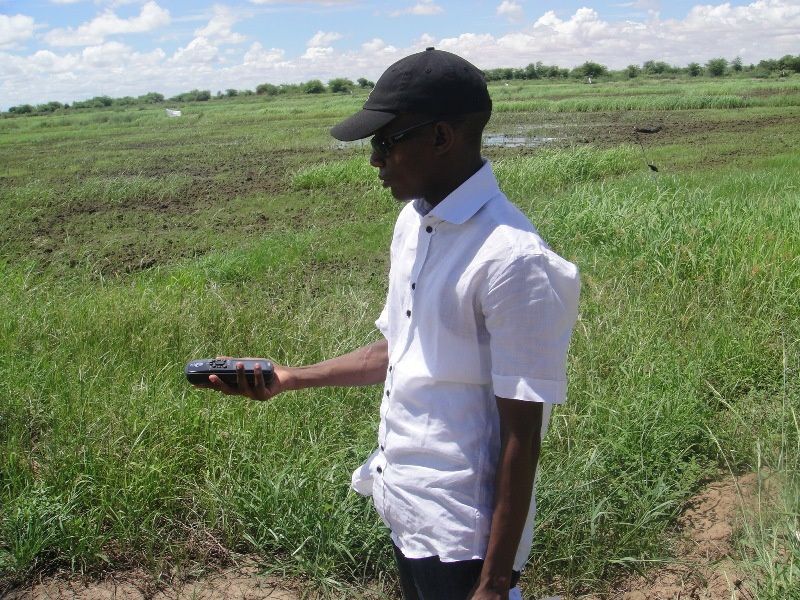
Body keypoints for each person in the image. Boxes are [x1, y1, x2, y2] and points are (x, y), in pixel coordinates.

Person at [198, 48, 580, 600]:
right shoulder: (414, 223)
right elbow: (401, 349)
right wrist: (289, 377)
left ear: (442, 137)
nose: (375, 161)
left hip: (464, 532)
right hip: (403, 501)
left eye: (385, 142)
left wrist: (494, 584)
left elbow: (523, 435)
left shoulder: (516, 261)